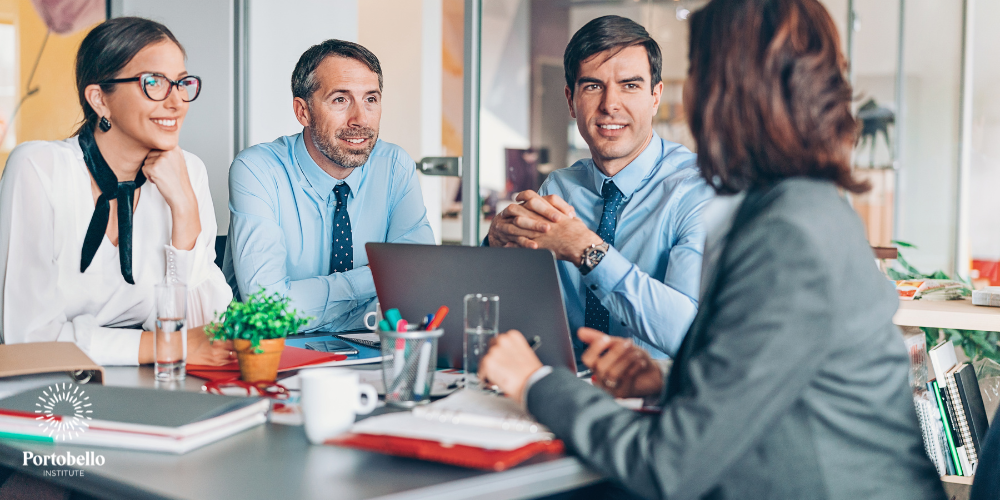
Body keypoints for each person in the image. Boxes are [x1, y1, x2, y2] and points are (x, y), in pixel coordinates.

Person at [479, 0, 946, 498]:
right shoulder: (783, 206)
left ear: (739, 88)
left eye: (700, 71)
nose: (691, 93)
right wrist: (666, 378)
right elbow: (763, 375)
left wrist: (535, 383)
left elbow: (670, 466)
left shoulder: (790, 233)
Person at [0, 17, 234, 366]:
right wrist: (162, 346)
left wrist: (185, 211)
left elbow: (204, 331)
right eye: (153, 82)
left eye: (181, 83)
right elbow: (29, 338)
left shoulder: (187, 172)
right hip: (52, 390)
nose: (177, 102)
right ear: (99, 99)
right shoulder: (39, 168)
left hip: (155, 386)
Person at [485, 16, 713, 359]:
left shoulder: (698, 190)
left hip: (651, 396)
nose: (610, 104)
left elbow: (688, 333)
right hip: (562, 384)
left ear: (655, 96)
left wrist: (585, 248)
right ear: (570, 99)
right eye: (593, 86)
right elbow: (512, 308)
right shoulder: (559, 188)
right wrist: (494, 246)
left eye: (630, 85)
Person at [224, 40, 434, 332]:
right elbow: (268, 311)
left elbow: (420, 292)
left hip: (373, 356)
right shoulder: (258, 170)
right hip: (273, 358)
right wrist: (379, 278)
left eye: (370, 99)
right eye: (340, 100)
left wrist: (303, 302)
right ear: (303, 112)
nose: (360, 119)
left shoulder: (395, 166)